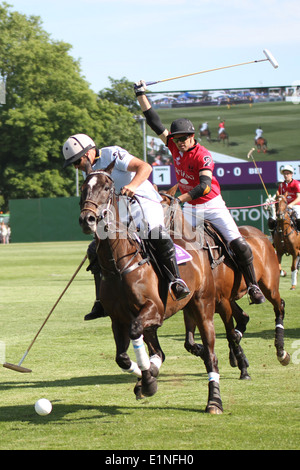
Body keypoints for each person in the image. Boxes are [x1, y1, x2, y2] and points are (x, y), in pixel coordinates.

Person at [134, 80, 265, 305]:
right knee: (165, 239)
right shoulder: (174, 145)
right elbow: (154, 121)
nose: (180, 142)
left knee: (238, 243)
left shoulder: (202, 155)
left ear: (192, 136)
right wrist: (140, 94)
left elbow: (204, 185)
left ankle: (253, 285)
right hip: (190, 208)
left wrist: (179, 199)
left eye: (184, 138)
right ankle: (175, 281)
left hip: (211, 205)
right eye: (177, 138)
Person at [62, 134, 190, 320]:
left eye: (77, 160)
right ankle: (101, 301)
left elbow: (144, 167)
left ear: (89, 152)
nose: (76, 166)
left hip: (142, 202)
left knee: (155, 234)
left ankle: (176, 281)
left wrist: (133, 185)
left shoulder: (112, 154)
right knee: (94, 249)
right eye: (73, 163)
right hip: (118, 212)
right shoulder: (87, 170)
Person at [267, 164, 300, 233]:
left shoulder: (296, 184)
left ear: (291, 174)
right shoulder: (281, 185)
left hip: (296, 206)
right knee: (273, 220)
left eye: (287, 174)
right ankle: (274, 238)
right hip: (284, 207)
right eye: (284, 174)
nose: (286, 175)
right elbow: (279, 198)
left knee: (299, 218)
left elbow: (299, 198)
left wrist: (291, 204)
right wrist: (272, 202)